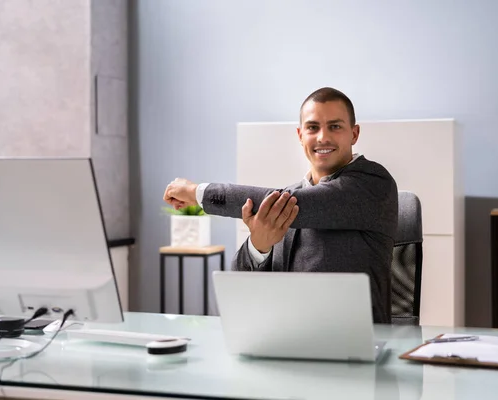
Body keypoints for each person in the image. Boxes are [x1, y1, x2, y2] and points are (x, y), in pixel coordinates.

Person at [164, 87, 398, 323]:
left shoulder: (373, 184)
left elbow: (297, 204)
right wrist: (259, 246)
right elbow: (241, 287)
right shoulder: (285, 200)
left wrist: (197, 193)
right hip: (286, 342)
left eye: (335, 126)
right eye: (312, 127)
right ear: (300, 135)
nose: (322, 137)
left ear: (354, 134)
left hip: (357, 348)